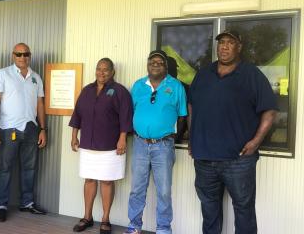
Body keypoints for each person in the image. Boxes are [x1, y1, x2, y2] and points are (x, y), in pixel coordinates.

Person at [188, 30, 277, 234]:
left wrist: (255, 142)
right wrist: (192, 138)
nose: (224, 47)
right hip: (204, 159)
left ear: (239, 47)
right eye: (221, 43)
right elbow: (192, 106)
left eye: (230, 43)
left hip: (239, 160)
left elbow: (270, 111)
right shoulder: (203, 74)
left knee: (244, 212)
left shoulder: (252, 74)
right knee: (209, 211)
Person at [124, 50, 187, 234]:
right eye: (153, 61)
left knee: (164, 191)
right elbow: (131, 111)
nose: (156, 65)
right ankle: (134, 226)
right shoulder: (138, 86)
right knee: (137, 188)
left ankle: (163, 229)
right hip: (140, 144)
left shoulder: (175, 87)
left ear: (166, 66)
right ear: (148, 64)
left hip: (163, 145)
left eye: (160, 62)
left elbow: (182, 116)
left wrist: (173, 137)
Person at [69, 58, 133, 234]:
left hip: (110, 146)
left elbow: (125, 118)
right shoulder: (87, 90)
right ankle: (87, 217)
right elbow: (77, 116)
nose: (101, 73)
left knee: (106, 181)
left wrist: (122, 139)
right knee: (89, 180)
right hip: (87, 144)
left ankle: (105, 219)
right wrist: (74, 136)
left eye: (106, 70)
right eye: (99, 69)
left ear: (112, 72)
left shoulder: (120, 92)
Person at [0, 43, 47, 222]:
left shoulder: (35, 77)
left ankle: (27, 203)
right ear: (13, 55)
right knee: (5, 168)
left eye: (26, 54)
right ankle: (0, 205)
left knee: (29, 168)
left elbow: (40, 105)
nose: (22, 57)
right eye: (19, 54)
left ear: (30, 56)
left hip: (31, 128)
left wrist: (43, 129)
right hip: (8, 129)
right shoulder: (3, 74)